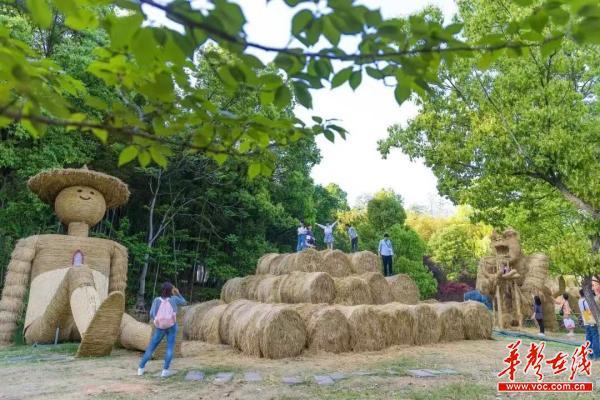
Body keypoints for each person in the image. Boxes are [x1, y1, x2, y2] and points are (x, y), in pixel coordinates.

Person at [138, 282, 187, 377]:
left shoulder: (156, 300)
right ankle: (165, 371)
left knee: (151, 348)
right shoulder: (174, 299)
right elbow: (184, 302)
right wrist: (178, 293)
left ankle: (141, 368)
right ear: (171, 291)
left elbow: (152, 314)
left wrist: (158, 321)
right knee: (169, 348)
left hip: (160, 327)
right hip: (171, 326)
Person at [578, 289, 600, 360]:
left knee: (588, 337)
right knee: (595, 337)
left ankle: (590, 355)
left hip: (585, 320)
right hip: (592, 320)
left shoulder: (580, 301)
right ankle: (596, 356)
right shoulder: (589, 300)